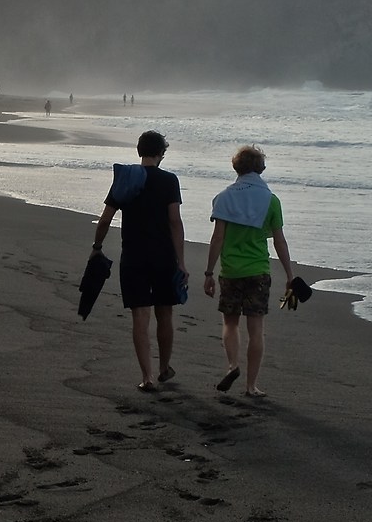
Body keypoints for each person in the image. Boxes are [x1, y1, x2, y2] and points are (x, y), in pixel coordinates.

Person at [91, 130, 187, 392]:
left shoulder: (126, 178)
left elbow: (105, 219)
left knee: (140, 317)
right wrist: (181, 261)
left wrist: (97, 247)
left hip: (133, 256)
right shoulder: (169, 180)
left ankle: (147, 377)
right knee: (164, 313)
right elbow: (175, 222)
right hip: (163, 256)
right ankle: (165, 367)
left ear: (139, 151)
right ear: (161, 153)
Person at [201, 145, 295, 398]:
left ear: (237, 167)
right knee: (256, 328)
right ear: (261, 168)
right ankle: (251, 386)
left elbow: (217, 238)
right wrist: (289, 275)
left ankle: (233, 365)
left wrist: (209, 272)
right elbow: (279, 241)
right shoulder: (271, 200)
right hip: (258, 270)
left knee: (230, 323)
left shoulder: (224, 197)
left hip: (231, 270)